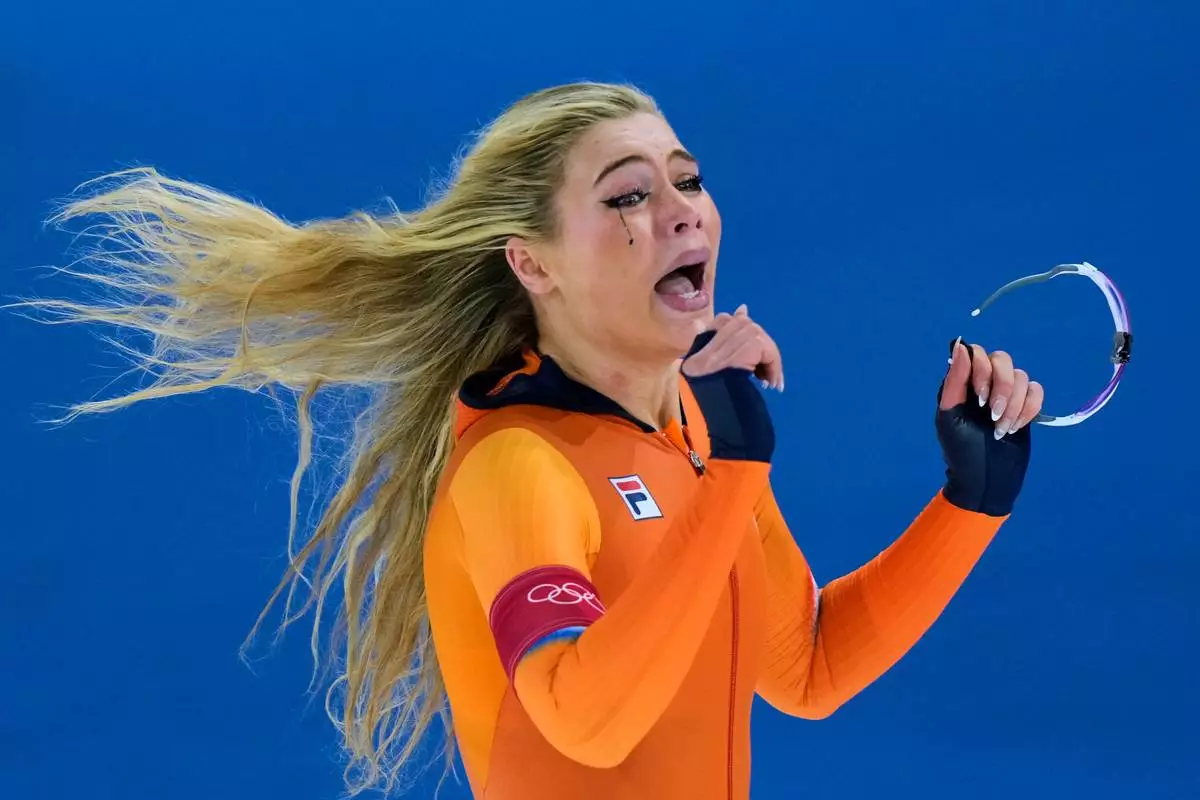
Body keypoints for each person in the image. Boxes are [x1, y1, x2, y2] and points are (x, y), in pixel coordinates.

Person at [28, 81, 1044, 799]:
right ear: (536, 263)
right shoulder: (520, 466)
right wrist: (732, 476)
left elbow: (805, 665)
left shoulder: (689, 427)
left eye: (687, 180)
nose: (680, 213)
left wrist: (969, 505)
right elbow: (582, 717)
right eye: (627, 197)